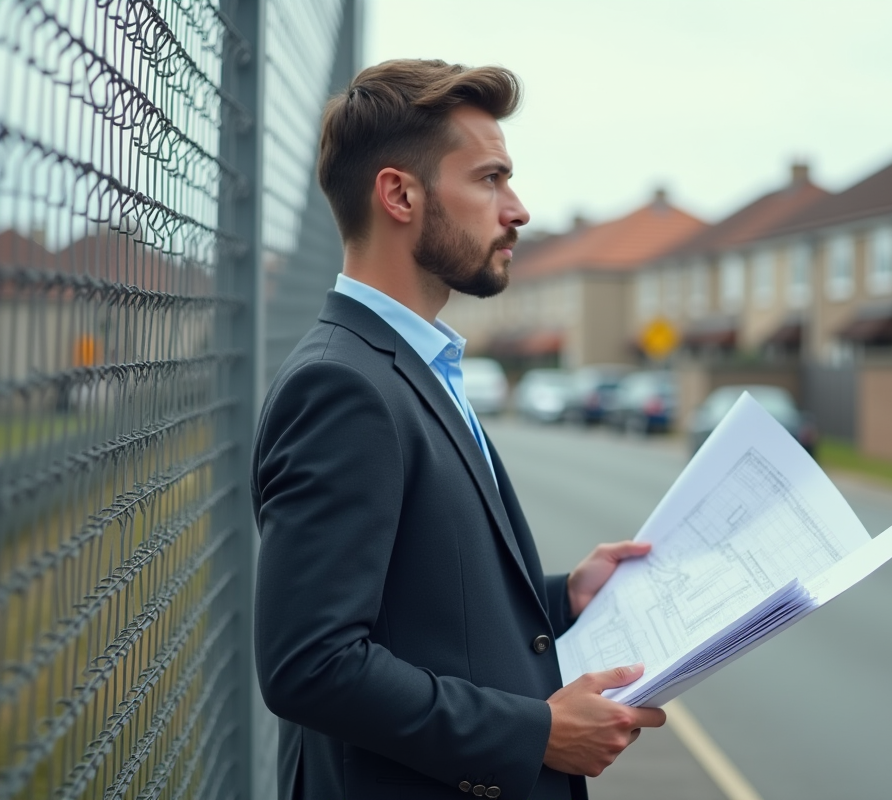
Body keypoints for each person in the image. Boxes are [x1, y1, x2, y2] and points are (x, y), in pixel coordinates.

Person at [250, 59, 666, 800]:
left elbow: (425, 604)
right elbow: (310, 664)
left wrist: (563, 596)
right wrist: (534, 733)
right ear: (399, 194)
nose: (518, 209)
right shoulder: (342, 385)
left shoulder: (412, 361)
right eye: (489, 179)